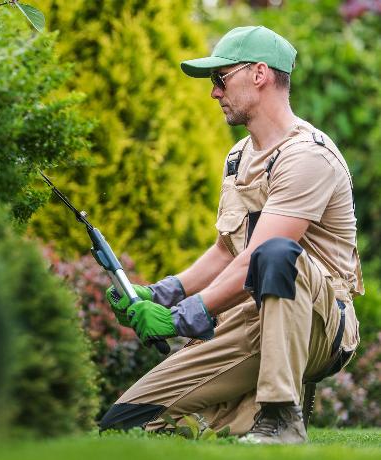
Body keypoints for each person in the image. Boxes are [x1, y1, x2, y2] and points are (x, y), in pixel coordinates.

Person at [98, 26, 364, 444]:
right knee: (125, 423)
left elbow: (259, 255)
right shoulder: (240, 156)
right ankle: (242, 417)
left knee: (278, 253)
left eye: (220, 79)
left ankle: (281, 418)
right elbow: (228, 249)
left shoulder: (308, 157)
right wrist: (161, 293)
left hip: (317, 321)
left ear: (259, 74)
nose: (214, 93)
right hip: (249, 315)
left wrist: (181, 317)